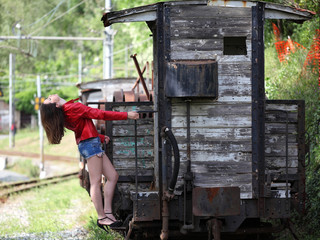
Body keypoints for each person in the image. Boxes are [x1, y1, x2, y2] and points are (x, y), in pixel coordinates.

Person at [40, 94, 139, 233]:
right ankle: (101, 217)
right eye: (49, 99)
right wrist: (127, 115)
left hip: (90, 143)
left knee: (112, 176)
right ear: (56, 105)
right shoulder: (72, 108)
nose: (50, 96)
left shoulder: (66, 112)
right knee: (95, 182)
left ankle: (108, 213)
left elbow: (83, 128)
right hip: (90, 145)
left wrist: (101, 137)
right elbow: (100, 114)